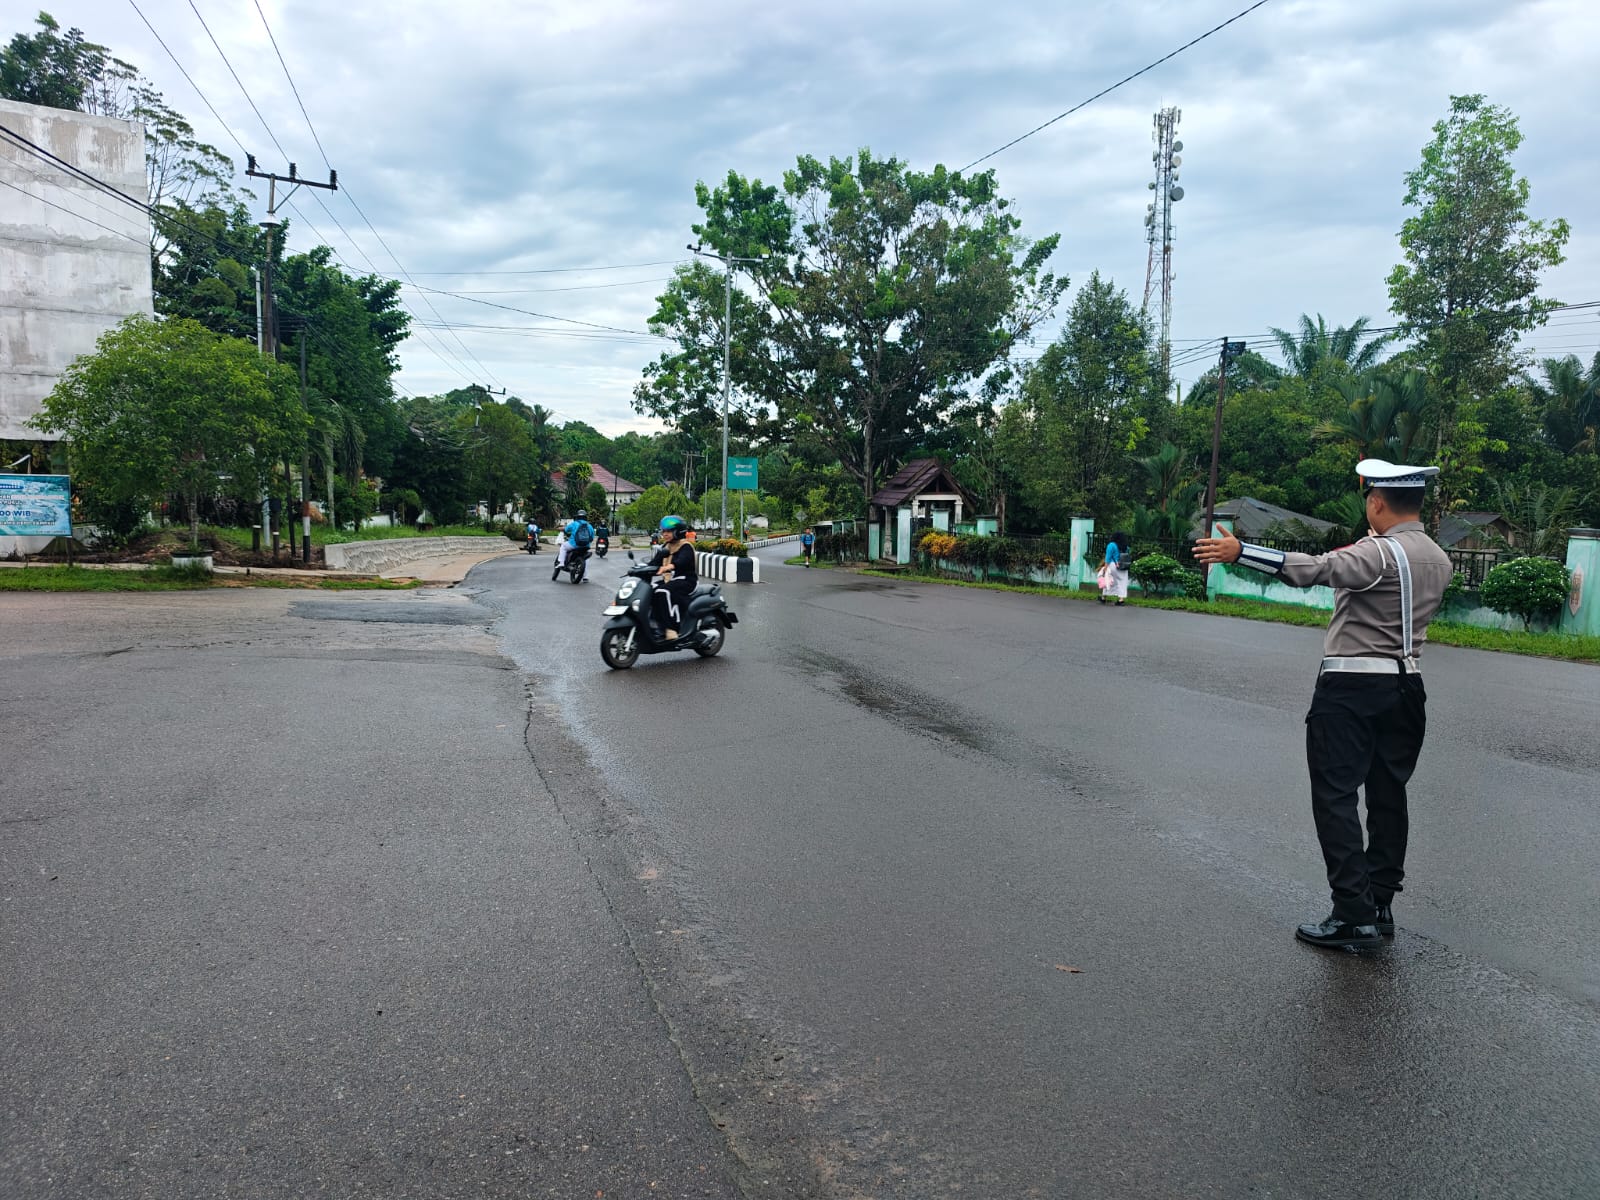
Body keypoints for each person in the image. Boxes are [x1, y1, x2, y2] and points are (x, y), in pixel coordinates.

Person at [1193, 459, 1453, 950]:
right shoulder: (1439, 558)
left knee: (1335, 796)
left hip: (1353, 688)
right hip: (1408, 687)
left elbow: (1317, 569)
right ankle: (1379, 904)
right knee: (1388, 796)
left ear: (1377, 503)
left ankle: (1352, 914)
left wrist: (1242, 552)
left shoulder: (1377, 553)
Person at [648, 514, 698, 639]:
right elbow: (654, 563)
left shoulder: (686, 546)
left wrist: (669, 566)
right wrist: (639, 569)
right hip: (670, 580)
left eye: (669, 531)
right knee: (649, 589)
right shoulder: (666, 547)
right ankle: (654, 623)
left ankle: (671, 629)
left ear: (678, 532)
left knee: (663, 592)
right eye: (664, 531)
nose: (665, 534)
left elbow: (682, 561)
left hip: (686, 580)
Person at [1099, 532, 1130, 605]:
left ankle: (1103, 598)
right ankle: (1121, 600)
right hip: (1123, 566)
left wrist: (1105, 568)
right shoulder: (1126, 547)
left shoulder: (1111, 545)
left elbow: (1108, 558)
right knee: (1122, 582)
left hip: (1113, 565)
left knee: (1108, 580)